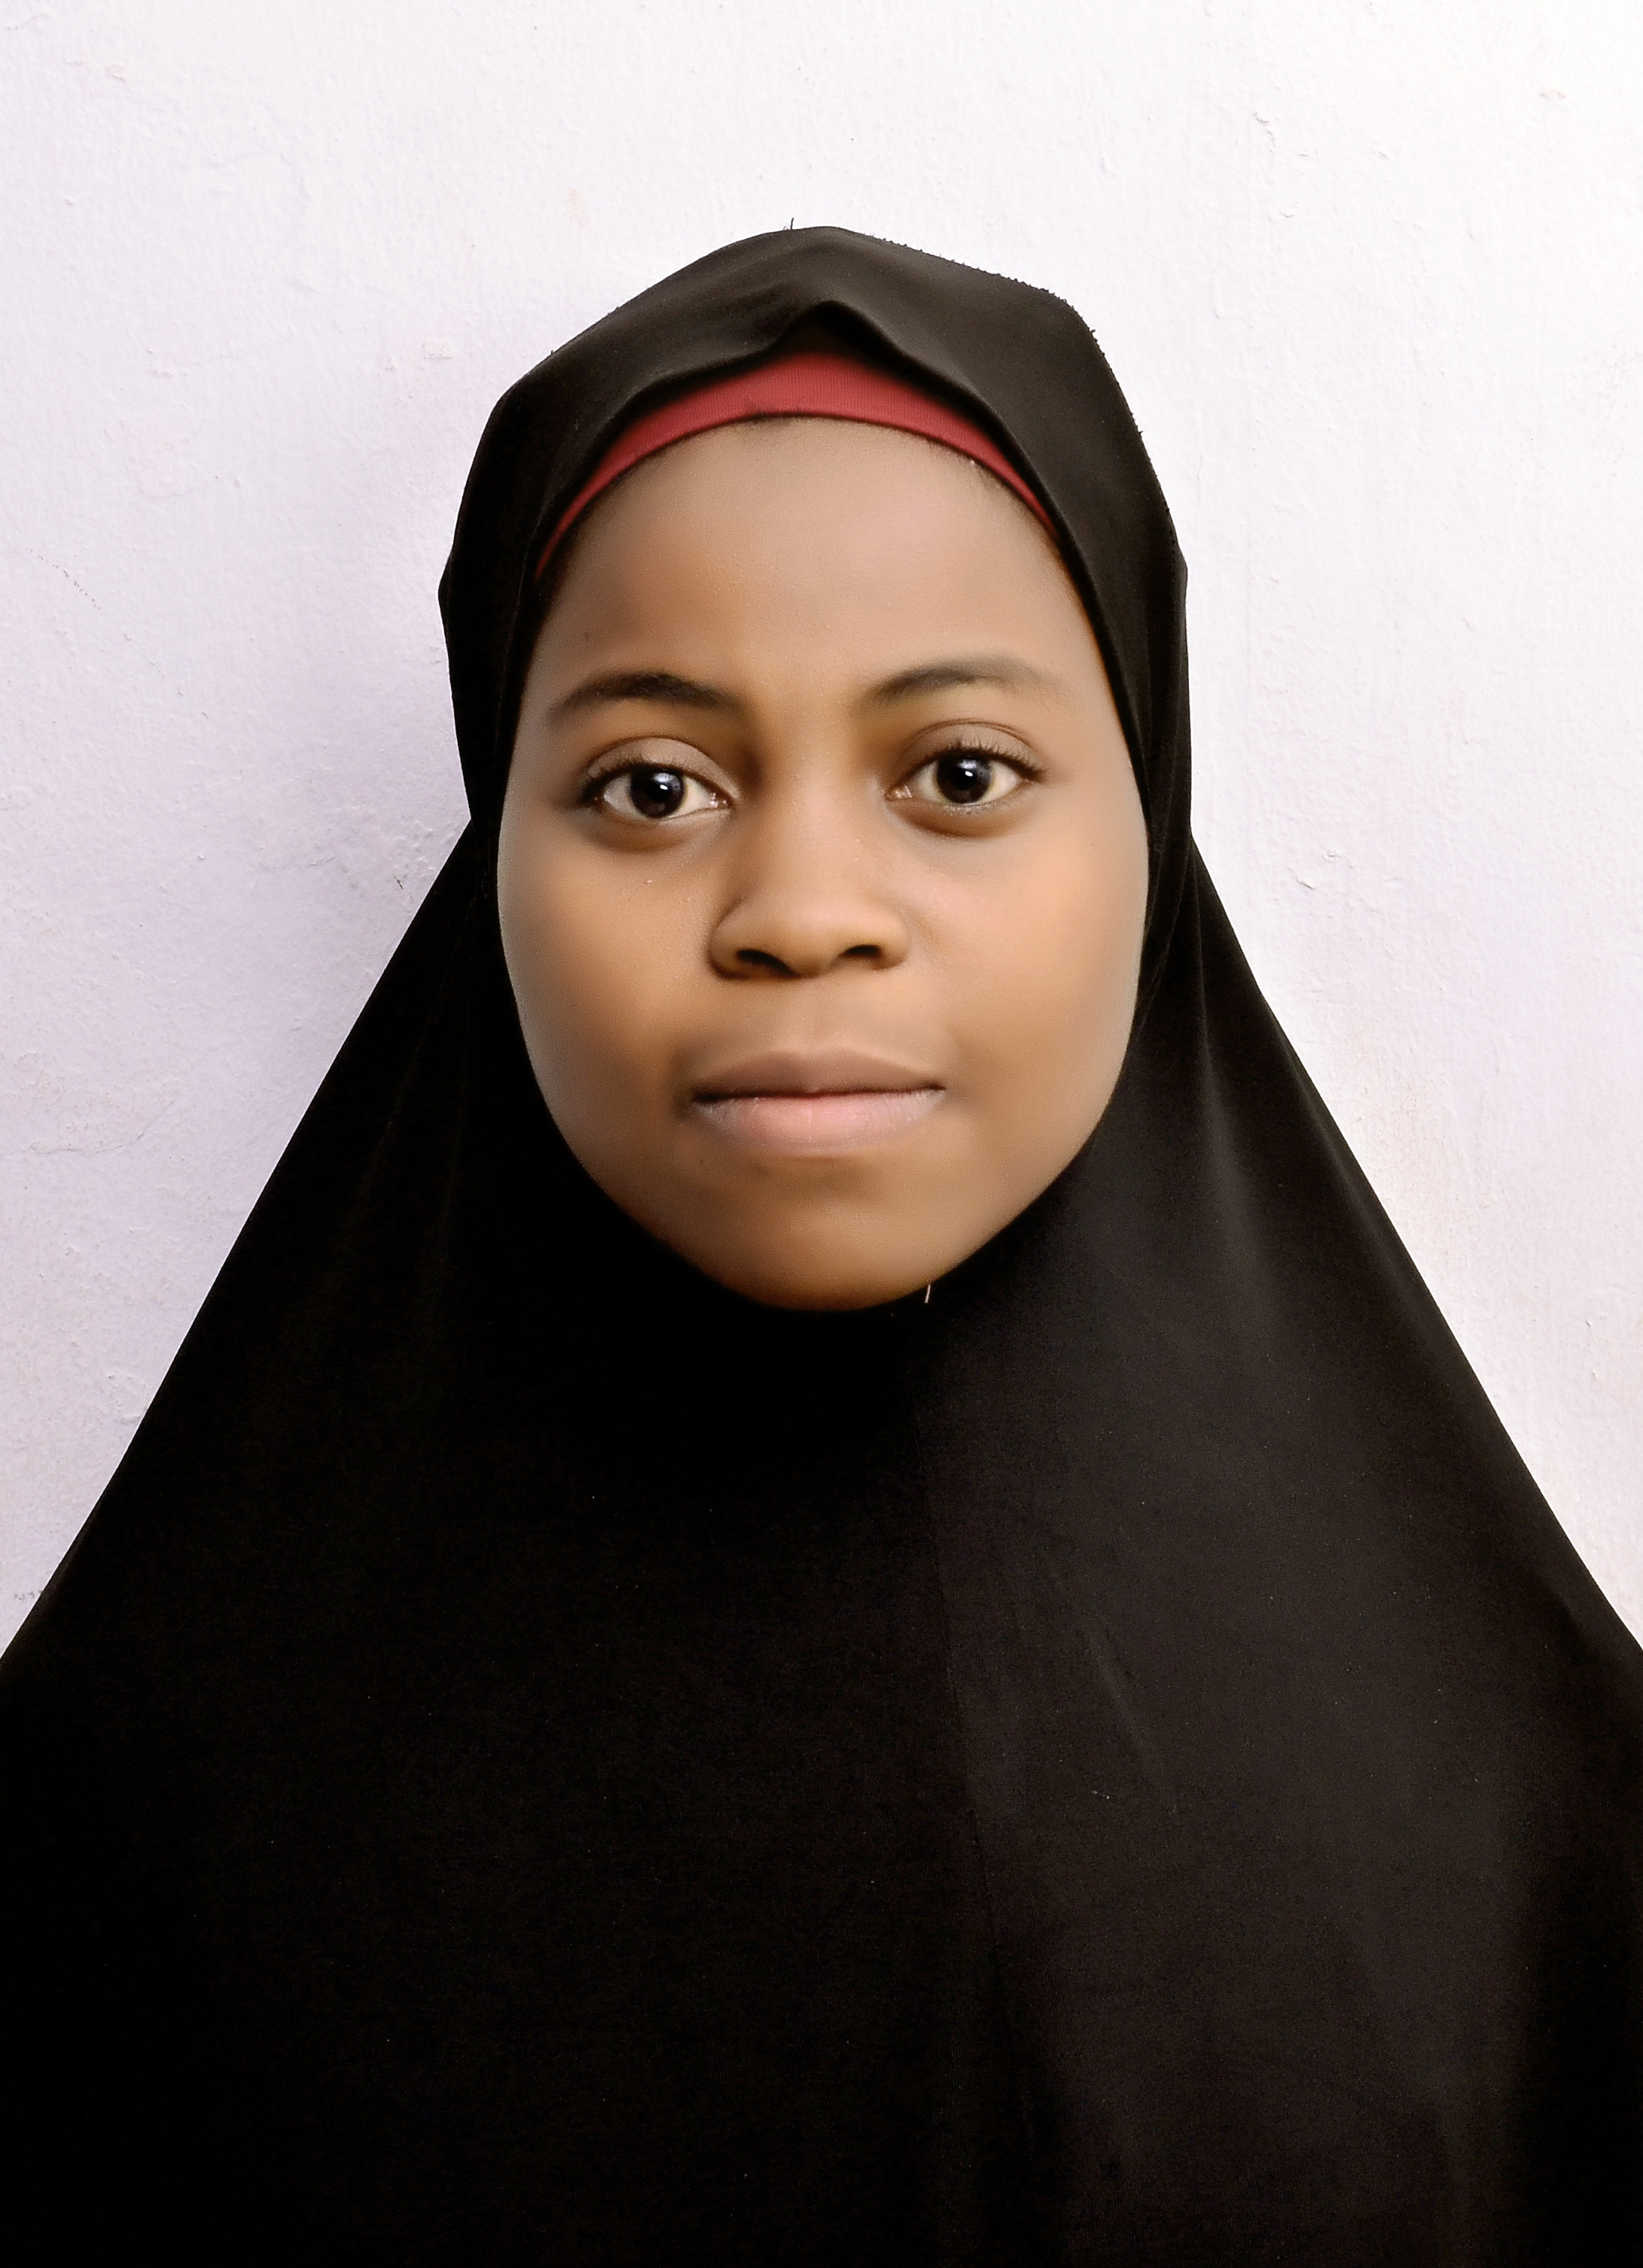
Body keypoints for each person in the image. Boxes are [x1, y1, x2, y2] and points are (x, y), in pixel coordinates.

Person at [2, 227, 1638, 2263]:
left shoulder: (1523, 1826)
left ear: (1148, 819)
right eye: (652, 784)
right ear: (494, 838)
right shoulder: (129, 1815)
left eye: (958, 774)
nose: (800, 910)